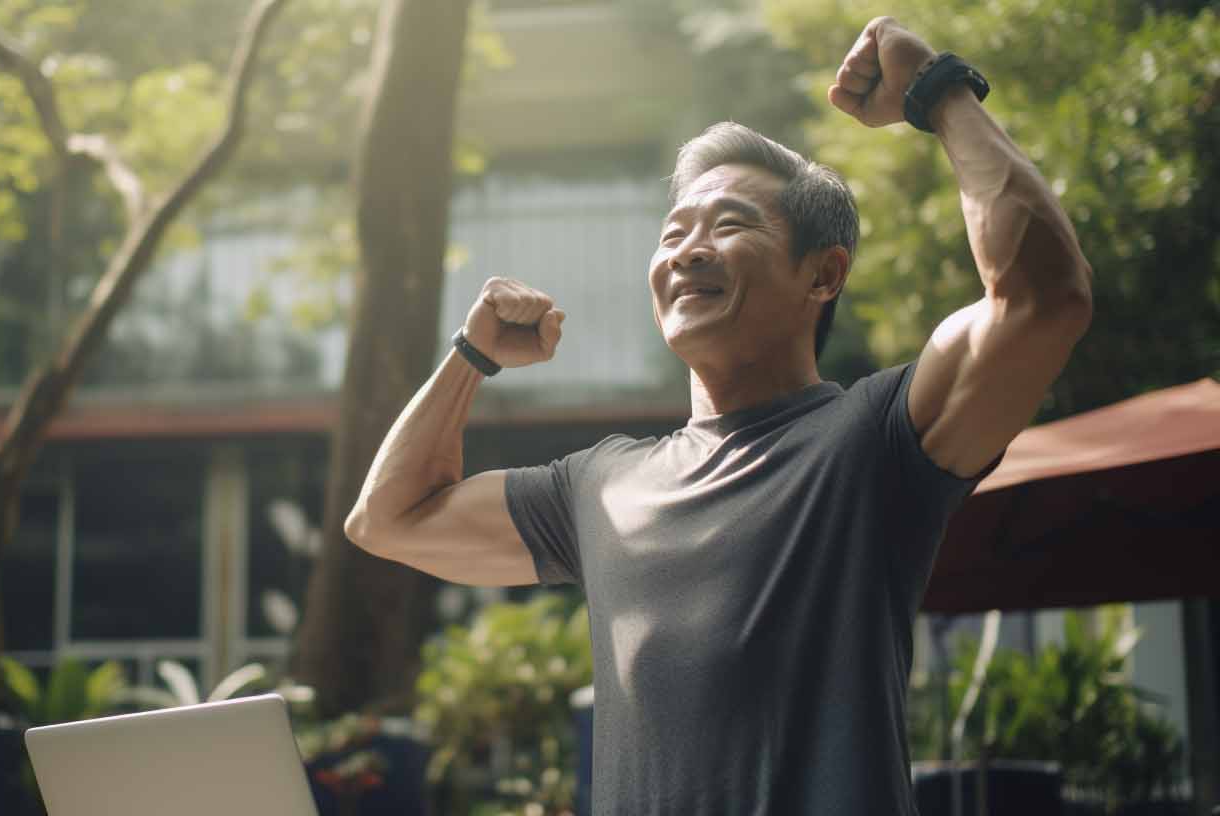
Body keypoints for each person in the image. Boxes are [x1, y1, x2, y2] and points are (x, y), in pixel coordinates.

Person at [344, 15, 1092, 815]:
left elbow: (1043, 298)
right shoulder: (595, 485)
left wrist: (937, 90)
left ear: (823, 275)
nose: (687, 251)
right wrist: (470, 357)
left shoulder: (874, 440)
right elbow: (388, 519)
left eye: (729, 224)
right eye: (674, 233)